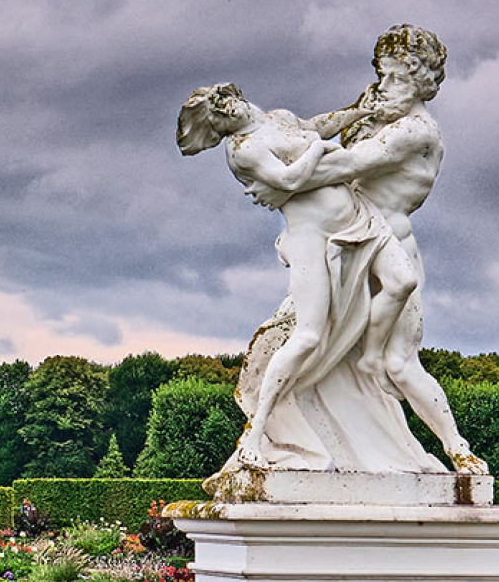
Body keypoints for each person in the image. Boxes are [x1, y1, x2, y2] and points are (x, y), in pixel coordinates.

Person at [247, 24, 488, 474]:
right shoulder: (374, 111)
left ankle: (457, 447)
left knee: (399, 360)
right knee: (302, 342)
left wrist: (274, 180)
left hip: (391, 242)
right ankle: (273, 439)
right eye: (384, 74)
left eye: (397, 77)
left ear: (421, 81)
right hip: (342, 243)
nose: (385, 86)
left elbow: (346, 163)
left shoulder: (416, 130)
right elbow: (313, 134)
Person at [177, 82, 420, 468]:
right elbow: (290, 181)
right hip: (311, 236)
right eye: (220, 119)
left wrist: (358, 112)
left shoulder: (278, 118)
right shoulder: (242, 150)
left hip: (359, 217)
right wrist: (322, 150)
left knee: (403, 281)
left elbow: (315, 125)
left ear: (234, 97)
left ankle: (371, 358)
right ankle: (255, 434)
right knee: (307, 336)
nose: (230, 115)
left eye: (227, 106)